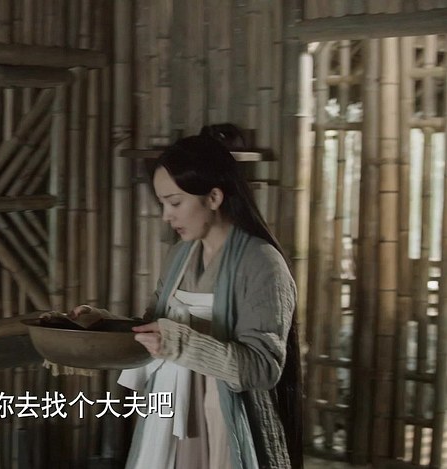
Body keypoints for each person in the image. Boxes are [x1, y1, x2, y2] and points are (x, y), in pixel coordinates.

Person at [71, 127, 302, 469]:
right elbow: (154, 326)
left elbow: (262, 367)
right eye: (163, 203)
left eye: (175, 202)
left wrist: (181, 345)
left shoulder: (262, 263)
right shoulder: (179, 255)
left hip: (225, 416)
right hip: (169, 412)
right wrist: (102, 323)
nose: (167, 215)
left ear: (214, 197)